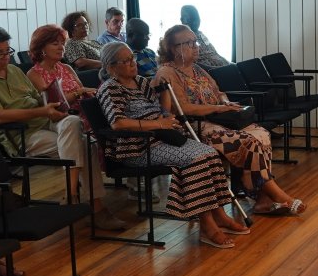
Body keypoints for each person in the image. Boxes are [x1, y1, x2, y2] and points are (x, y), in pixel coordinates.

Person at [0, 25, 124, 229]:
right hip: (22, 133)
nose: (5, 58)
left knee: (73, 121)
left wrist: (52, 98)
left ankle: (71, 191)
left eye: (8, 52)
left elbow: (37, 99)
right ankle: (96, 207)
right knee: (85, 146)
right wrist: (43, 110)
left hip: (47, 122)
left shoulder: (13, 70)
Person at [97, 41, 247, 248]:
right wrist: (158, 123)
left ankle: (219, 214)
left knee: (210, 154)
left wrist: (165, 97)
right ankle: (207, 226)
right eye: (127, 60)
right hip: (137, 147)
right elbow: (118, 123)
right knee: (196, 160)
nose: (133, 63)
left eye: (132, 58)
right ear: (111, 67)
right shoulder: (110, 88)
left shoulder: (140, 82)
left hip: (162, 139)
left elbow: (163, 111)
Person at [154, 24, 306, 215]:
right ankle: (268, 192)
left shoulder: (198, 69)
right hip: (193, 126)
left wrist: (227, 103)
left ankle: (261, 195)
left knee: (262, 134)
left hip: (218, 119)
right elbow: (181, 107)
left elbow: (219, 93)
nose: (196, 46)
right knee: (249, 142)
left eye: (196, 41)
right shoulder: (167, 73)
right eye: (189, 43)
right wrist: (217, 108)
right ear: (174, 49)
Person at [26, 24, 98, 128]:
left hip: (85, 111)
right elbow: (54, 104)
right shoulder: (34, 74)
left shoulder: (67, 68)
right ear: (41, 48)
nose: (61, 47)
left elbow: (84, 91)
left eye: (62, 43)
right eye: (55, 44)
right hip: (63, 119)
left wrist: (94, 92)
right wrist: (78, 92)